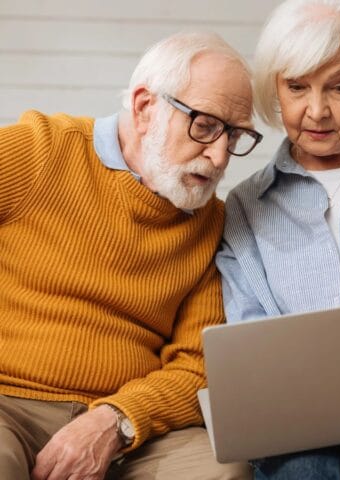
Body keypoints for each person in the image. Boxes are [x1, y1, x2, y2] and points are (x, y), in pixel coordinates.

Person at [0, 31, 262, 480]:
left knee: (225, 470)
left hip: (129, 426)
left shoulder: (214, 221)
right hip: (8, 403)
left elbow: (199, 365)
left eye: (235, 135)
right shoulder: (39, 149)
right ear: (145, 108)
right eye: (205, 125)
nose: (220, 157)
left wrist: (116, 420)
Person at [216, 0, 340, 478]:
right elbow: (252, 342)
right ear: (275, 88)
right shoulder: (244, 206)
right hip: (299, 433)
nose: (316, 112)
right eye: (297, 87)